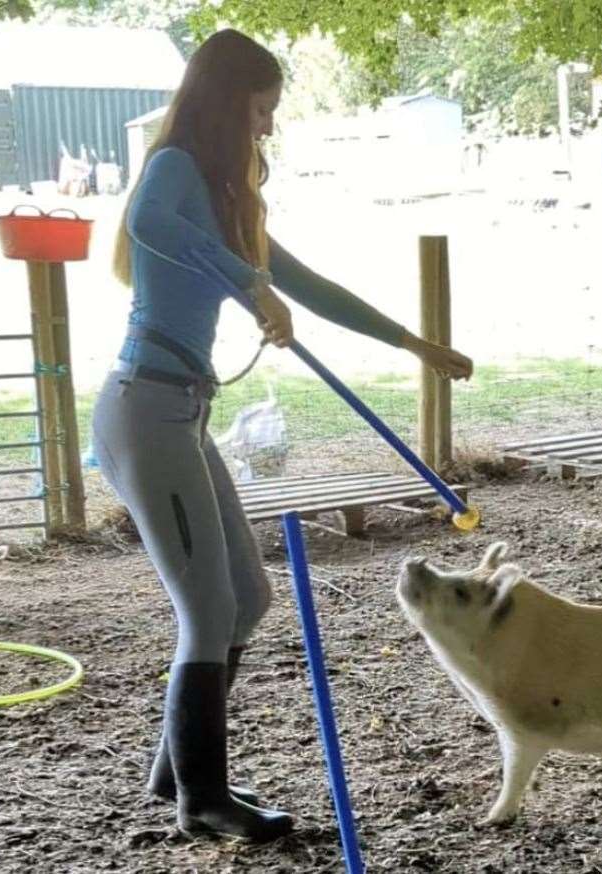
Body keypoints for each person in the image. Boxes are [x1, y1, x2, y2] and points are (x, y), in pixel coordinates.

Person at [92, 29, 473, 842]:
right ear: (228, 101)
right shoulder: (176, 172)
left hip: (182, 412)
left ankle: (177, 773)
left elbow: (309, 287)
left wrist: (415, 345)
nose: (266, 128)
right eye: (261, 110)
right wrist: (246, 284)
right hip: (144, 409)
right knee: (207, 607)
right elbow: (151, 221)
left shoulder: (226, 200)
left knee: (248, 599)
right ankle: (204, 802)